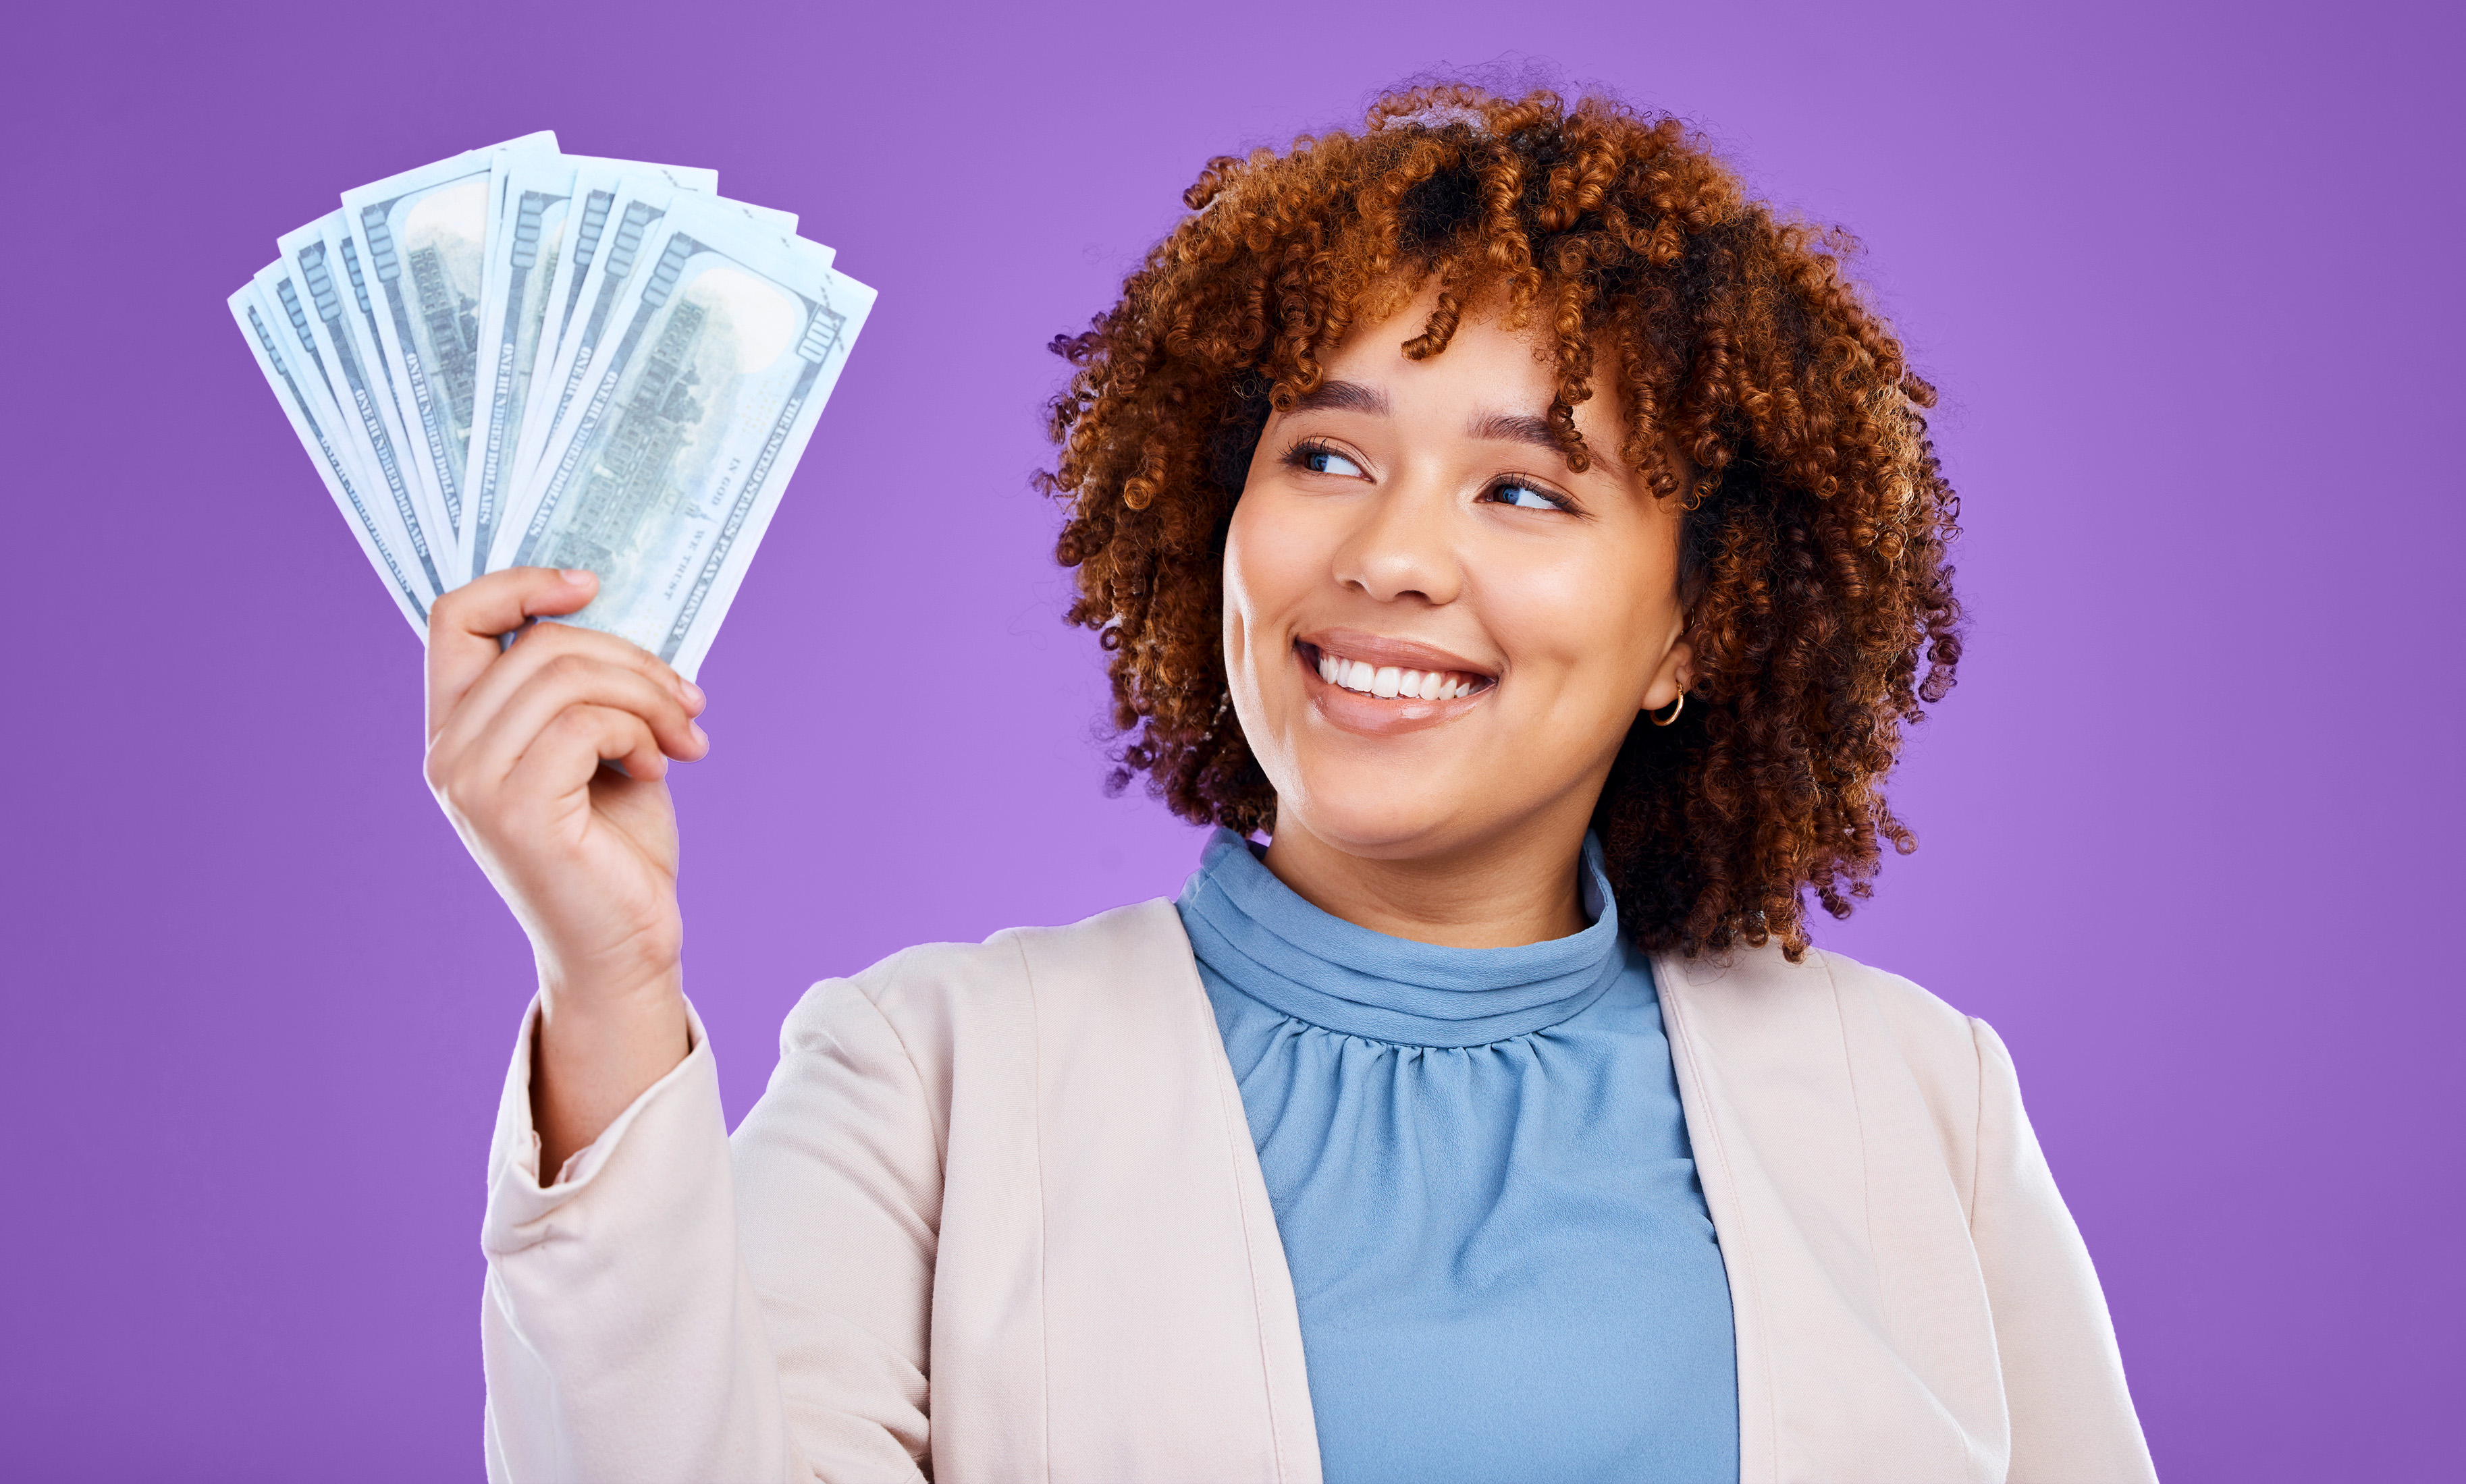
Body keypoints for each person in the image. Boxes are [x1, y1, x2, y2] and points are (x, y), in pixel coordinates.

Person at [426, 82, 2156, 1484]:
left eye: (1527, 490)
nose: (1390, 555)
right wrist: (610, 984)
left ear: (1697, 623)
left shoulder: (1918, 1094)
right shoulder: (930, 1067)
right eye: (1324, 454)